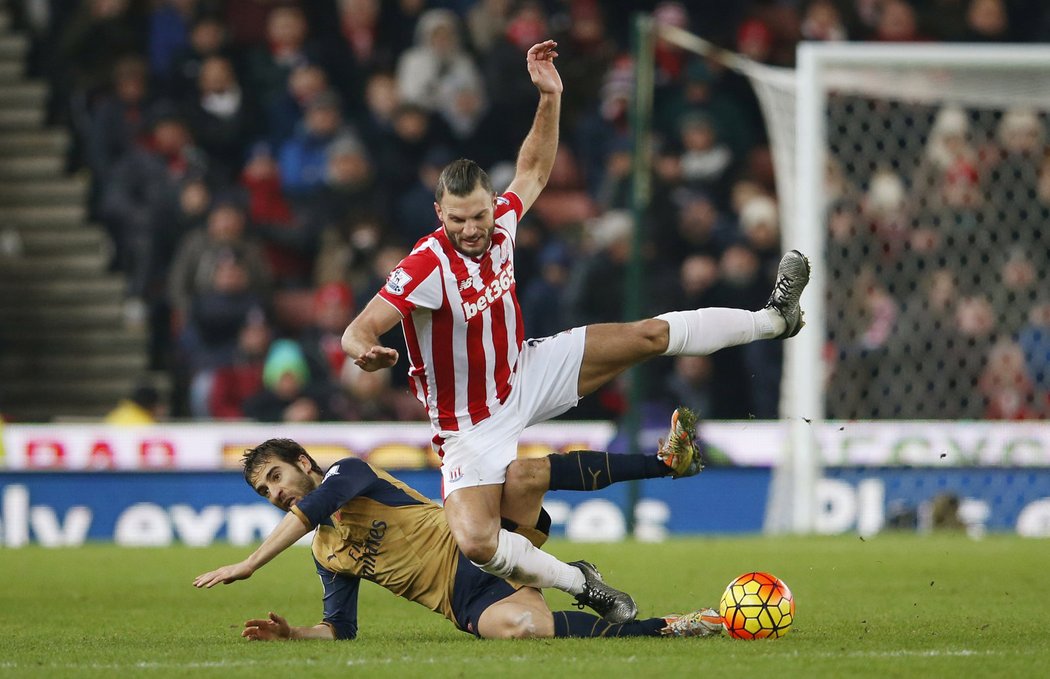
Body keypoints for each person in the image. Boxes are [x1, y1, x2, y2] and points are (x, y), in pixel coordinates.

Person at [340, 39, 811, 625]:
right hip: (469, 424)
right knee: (477, 542)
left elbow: (535, 167)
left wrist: (551, 95)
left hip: (527, 370)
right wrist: (366, 352)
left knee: (644, 336)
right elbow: (357, 329)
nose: (471, 229)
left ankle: (773, 318)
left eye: (480, 216)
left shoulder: (504, 223)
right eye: (458, 219)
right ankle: (581, 583)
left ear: (492, 206)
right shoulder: (426, 266)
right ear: (441, 215)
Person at [193, 427, 723, 641]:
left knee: (524, 474)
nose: (275, 493)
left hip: (478, 537)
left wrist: (248, 565)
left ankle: (664, 462)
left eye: (276, 477)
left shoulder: (347, 475)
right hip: (463, 600)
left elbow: (313, 508)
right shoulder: (328, 555)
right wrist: (296, 636)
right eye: (264, 491)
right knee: (527, 631)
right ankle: (671, 627)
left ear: (304, 464)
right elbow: (340, 628)